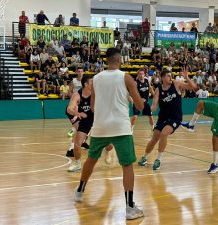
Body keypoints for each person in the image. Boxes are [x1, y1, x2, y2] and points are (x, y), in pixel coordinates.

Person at [74, 48, 145, 220]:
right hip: (120, 126)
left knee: (91, 159)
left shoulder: (96, 79)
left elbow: (92, 106)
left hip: (100, 126)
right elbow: (140, 106)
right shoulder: (126, 77)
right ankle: (129, 207)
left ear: (107, 61)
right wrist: (138, 100)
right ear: (119, 59)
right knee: (127, 165)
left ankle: (80, 190)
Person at [138, 68, 197, 170]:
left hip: (175, 118)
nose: (171, 77)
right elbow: (154, 106)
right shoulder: (158, 90)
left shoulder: (176, 84)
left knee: (164, 134)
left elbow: (193, 87)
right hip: (163, 118)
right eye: (168, 76)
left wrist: (187, 77)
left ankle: (158, 160)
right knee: (154, 138)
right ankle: (145, 157)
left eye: (171, 76)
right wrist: (146, 108)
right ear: (162, 78)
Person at [66, 75, 113, 172]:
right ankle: (77, 164)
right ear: (85, 84)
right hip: (86, 121)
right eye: (92, 82)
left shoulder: (97, 93)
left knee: (109, 145)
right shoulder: (77, 95)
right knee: (77, 144)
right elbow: (69, 109)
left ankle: (107, 151)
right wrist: (78, 113)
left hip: (98, 120)